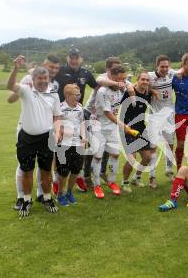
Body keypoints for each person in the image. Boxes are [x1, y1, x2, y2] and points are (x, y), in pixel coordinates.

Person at [6, 55, 61, 209]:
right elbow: (10, 86)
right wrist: (15, 69)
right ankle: (25, 199)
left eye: (46, 78)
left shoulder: (54, 93)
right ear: (33, 79)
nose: (43, 81)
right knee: (26, 169)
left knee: (45, 170)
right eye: (39, 78)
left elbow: (57, 115)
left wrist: (57, 132)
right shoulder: (26, 89)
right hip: (27, 137)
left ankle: (46, 197)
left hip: (46, 138)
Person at [91, 66, 139, 198]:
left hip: (112, 128)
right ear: (111, 77)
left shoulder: (120, 89)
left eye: (125, 79)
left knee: (115, 155)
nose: (123, 82)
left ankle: (112, 182)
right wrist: (124, 126)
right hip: (99, 127)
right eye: (120, 79)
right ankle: (97, 185)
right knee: (98, 157)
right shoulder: (102, 91)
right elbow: (107, 113)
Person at [120, 72, 154, 193]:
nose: (145, 82)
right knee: (132, 158)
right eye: (142, 79)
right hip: (128, 128)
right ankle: (124, 182)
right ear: (137, 80)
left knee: (147, 157)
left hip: (141, 128)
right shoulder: (129, 92)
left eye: (147, 80)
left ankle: (137, 177)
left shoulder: (148, 93)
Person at [147, 55, 177, 183]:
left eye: (166, 66)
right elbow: (137, 84)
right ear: (157, 66)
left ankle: (168, 170)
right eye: (162, 66)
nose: (165, 69)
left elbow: (184, 70)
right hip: (155, 116)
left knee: (170, 145)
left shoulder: (171, 73)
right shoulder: (149, 76)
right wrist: (151, 90)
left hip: (169, 116)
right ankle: (152, 177)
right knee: (153, 146)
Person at [55, 84, 86, 206]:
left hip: (77, 144)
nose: (79, 96)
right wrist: (62, 131)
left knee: (75, 170)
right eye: (76, 94)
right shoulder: (60, 108)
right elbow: (57, 124)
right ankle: (60, 195)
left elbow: (82, 123)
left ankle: (69, 193)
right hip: (64, 145)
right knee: (63, 172)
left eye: (79, 94)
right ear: (67, 95)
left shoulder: (80, 107)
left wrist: (84, 137)